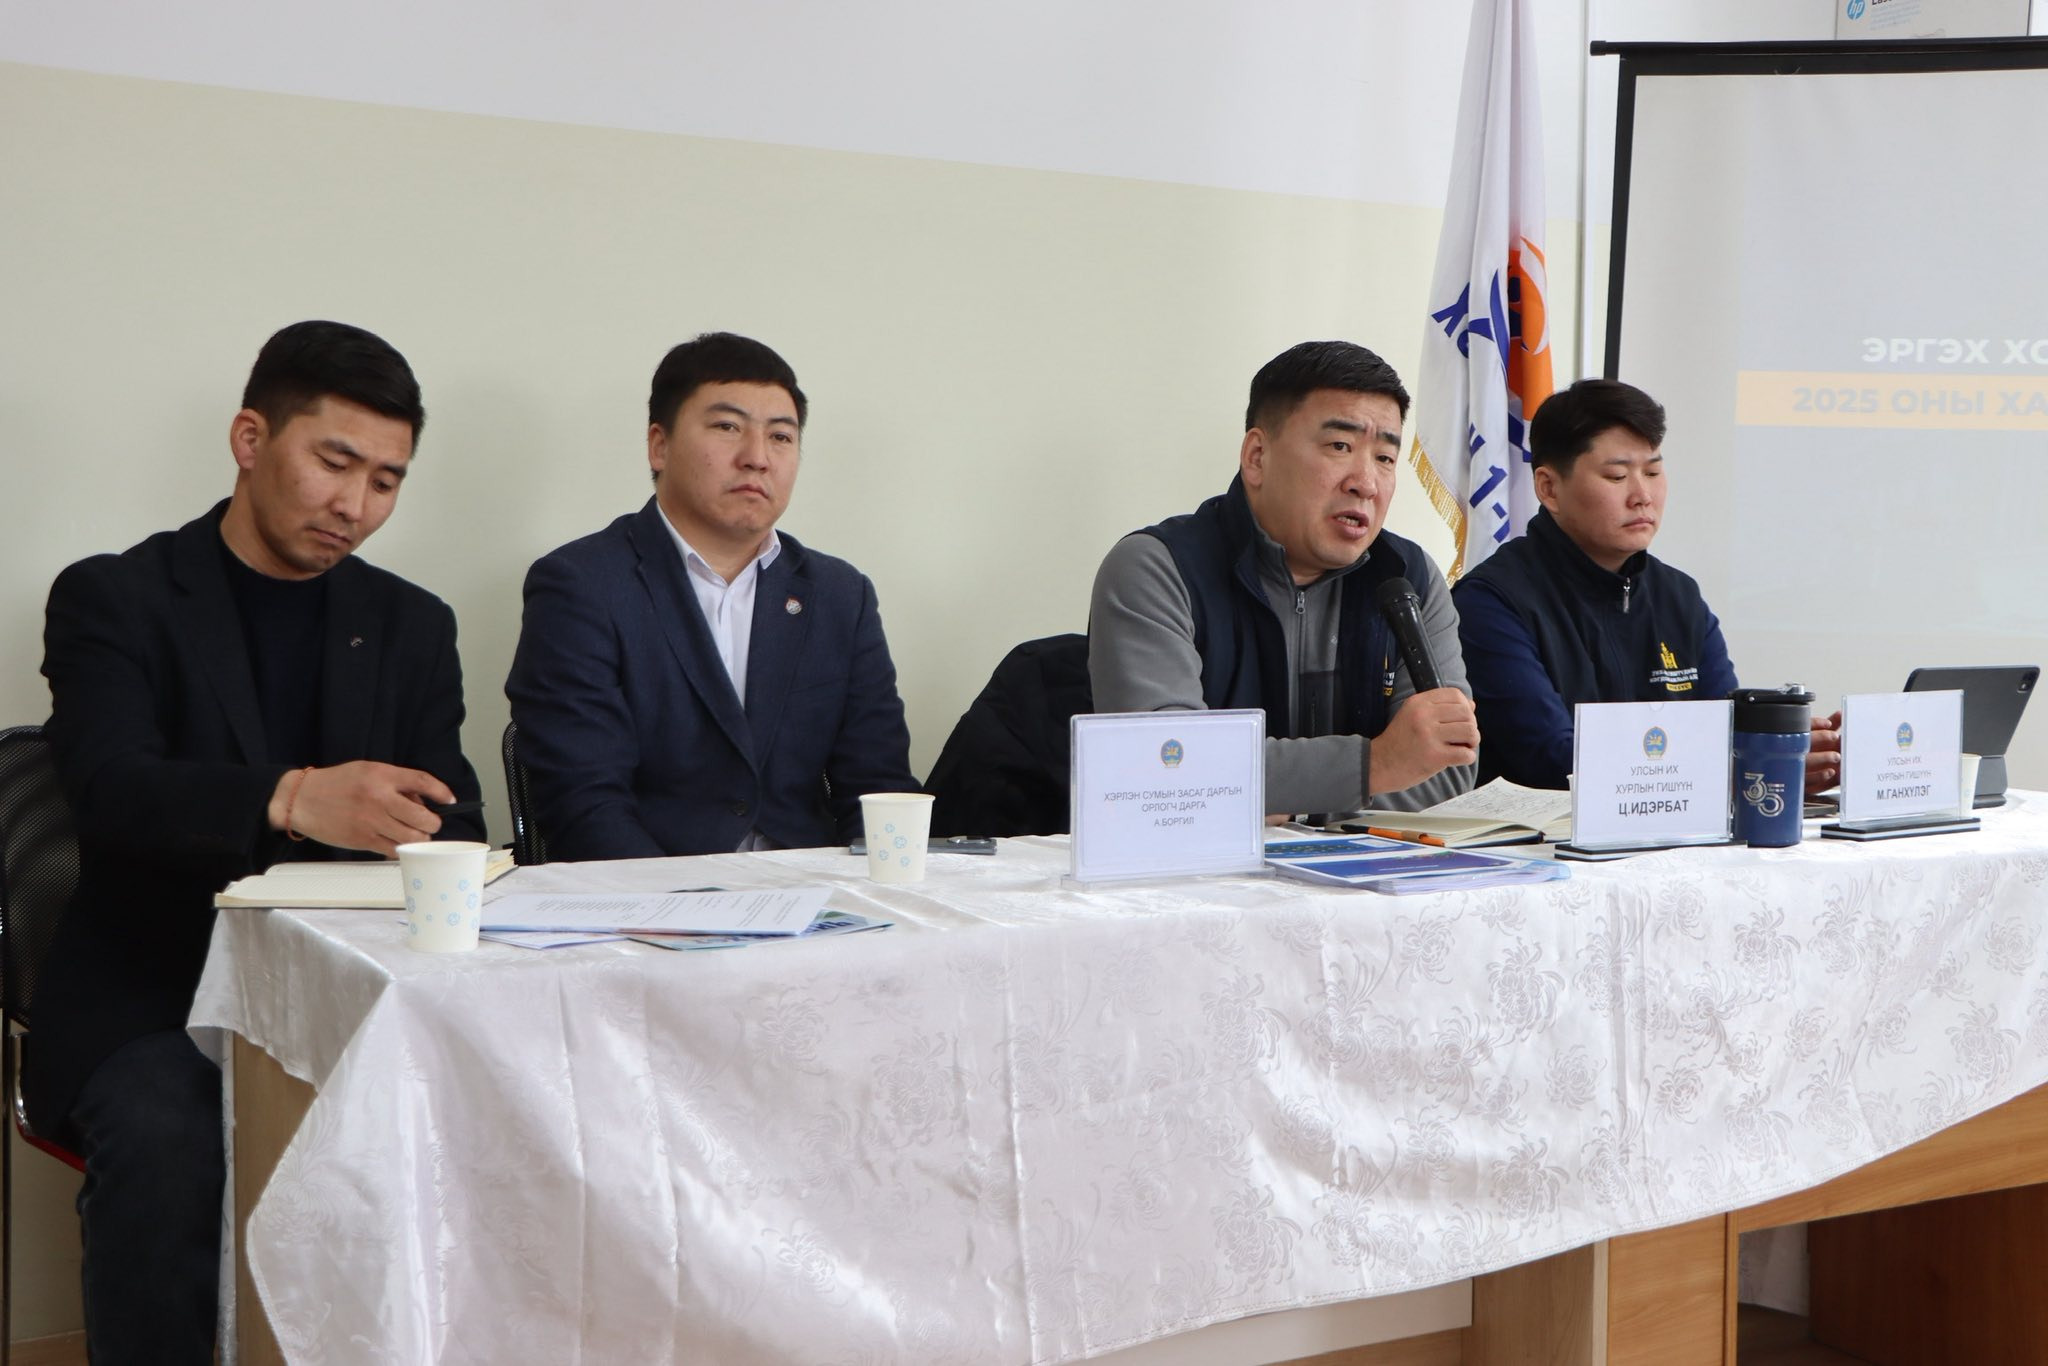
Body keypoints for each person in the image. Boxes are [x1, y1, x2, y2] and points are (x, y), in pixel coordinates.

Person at [26, 320, 485, 1365]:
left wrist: (427, 837)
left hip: (351, 992)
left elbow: (452, 815)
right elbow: (109, 791)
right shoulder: (115, 597)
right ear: (249, 438)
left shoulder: (412, 624)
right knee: (173, 1134)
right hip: (155, 992)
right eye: (335, 462)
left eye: (386, 481)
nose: (355, 505)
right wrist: (292, 798)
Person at [507, 332, 915, 859]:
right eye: (727, 427)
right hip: (646, 892)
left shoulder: (840, 595)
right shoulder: (581, 585)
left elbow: (879, 791)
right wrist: (689, 904)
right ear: (659, 445)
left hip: (810, 890)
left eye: (781, 436)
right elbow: (584, 804)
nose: (757, 458)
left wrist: (875, 895)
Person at [1088, 340, 1478, 816]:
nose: (1366, 483)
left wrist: (1278, 800)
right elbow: (1166, 769)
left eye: (1385, 458)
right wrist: (1375, 765)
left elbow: (1449, 769)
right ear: (1257, 456)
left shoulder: (1409, 578)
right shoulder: (1159, 569)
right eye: (1340, 446)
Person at [1452, 377, 1842, 790]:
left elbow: (1724, 730)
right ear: (1549, 488)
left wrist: (1772, 754)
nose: (1643, 495)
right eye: (1617, 476)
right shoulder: (1491, 602)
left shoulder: (1679, 596)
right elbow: (1553, 759)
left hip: (1678, 822)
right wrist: (1741, 767)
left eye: (1653, 471)